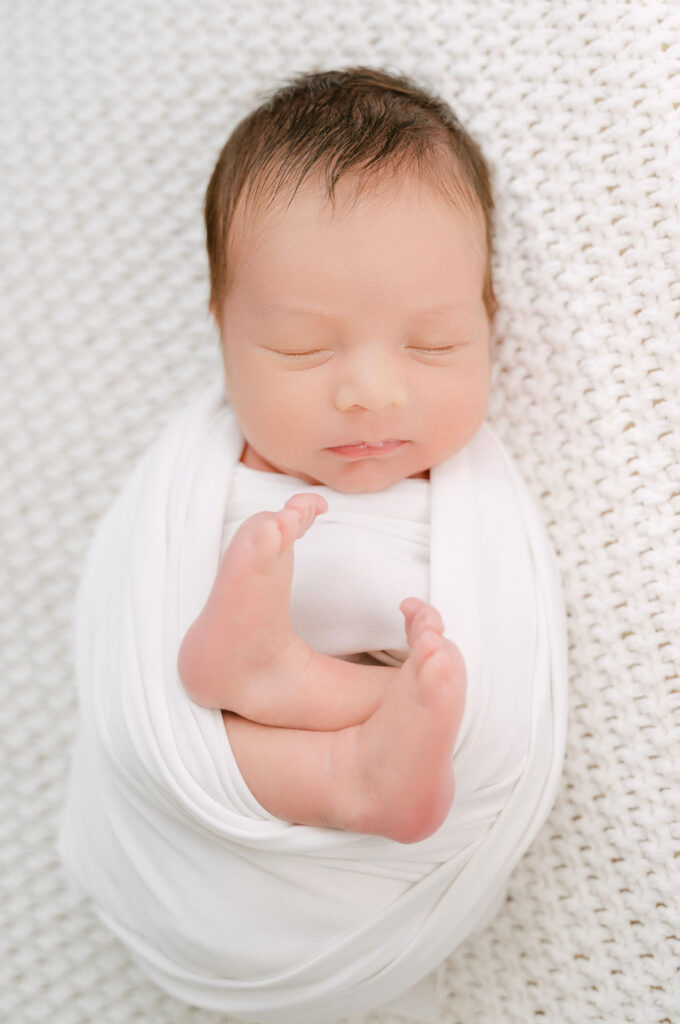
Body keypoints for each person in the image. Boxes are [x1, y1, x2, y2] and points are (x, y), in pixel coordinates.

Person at [177, 65, 498, 844]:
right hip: (224, 794)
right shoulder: (204, 478)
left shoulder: (482, 499)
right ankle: (324, 749)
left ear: (491, 320)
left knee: (446, 693)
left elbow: (507, 677)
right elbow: (131, 676)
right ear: (222, 328)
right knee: (222, 739)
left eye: (434, 344)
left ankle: (305, 702)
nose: (370, 393)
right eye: (302, 346)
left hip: (403, 794)